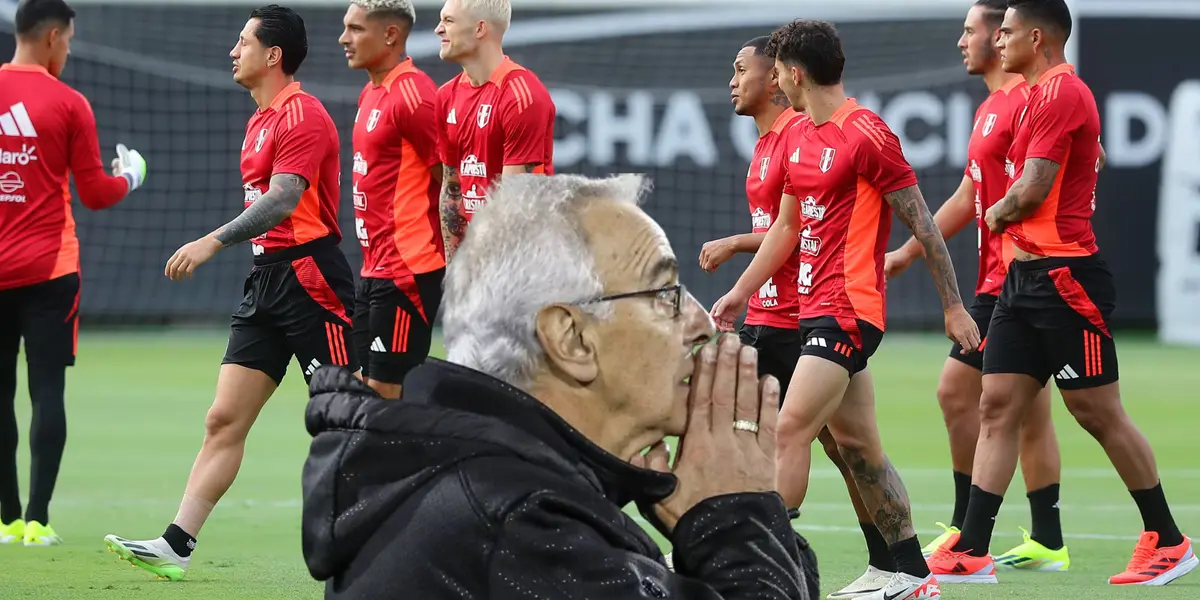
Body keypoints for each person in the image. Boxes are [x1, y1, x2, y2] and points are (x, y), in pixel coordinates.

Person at [300, 173, 817, 599]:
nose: (701, 323)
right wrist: (736, 520)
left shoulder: (488, 491)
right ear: (571, 338)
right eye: (665, 293)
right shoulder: (525, 533)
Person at [927, 0, 1196, 587]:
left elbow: (1031, 189)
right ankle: (971, 548)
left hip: (1066, 280)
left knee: (1096, 412)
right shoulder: (1034, 97)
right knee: (996, 404)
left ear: (1038, 37)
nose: (998, 41)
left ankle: (1168, 541)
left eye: (1007, 32)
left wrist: (994, 214)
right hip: (1021, 283)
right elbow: (1088, 154)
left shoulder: (1062, 92)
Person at [711, 19, 981, 600]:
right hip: (815, 310)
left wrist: (954, 307)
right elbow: (786, 229)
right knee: (858, 449)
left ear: (794, 73)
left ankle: (760, 570)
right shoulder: (801, 137)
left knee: (789, 429)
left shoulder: (867, 133)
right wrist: (740, 292)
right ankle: (906, 572)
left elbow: (923, 224)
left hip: (850, 310)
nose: (776, 81)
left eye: (779, 71)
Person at [104, 4, 359, 581]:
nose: (232, 51)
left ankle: (387, 539)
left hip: (310, 279)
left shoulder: (304, 114)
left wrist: (212, 241)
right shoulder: (258, 120)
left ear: (273, 55)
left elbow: (284, 199)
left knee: (345, 416)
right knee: (223, 418)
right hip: (266, 281)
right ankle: (176, 545)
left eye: (243, 42)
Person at [702, 35, 896, 598]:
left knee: (820, 443)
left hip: (799, 315)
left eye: (741, 69)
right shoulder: (769, 142)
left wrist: (737, 247)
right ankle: (891, 563)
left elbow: (802, 227)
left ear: (778, 78)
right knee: (831, 445)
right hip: (775, 312)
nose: (732, 80)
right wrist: (744, 286)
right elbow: (785, 226)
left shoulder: (800, 132)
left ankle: (771, 557)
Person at [883, 0, 1070, 571]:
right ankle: (1048, 540)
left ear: (1003, 36)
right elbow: (970, 194)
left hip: (1015, 278)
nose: (962, 41)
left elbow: (1069, 165)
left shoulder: (1027, 99)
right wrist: (909, 252)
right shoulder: (993, 105)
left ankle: (967, 531)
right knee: (1027, 408)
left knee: (957, 392)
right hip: (1006, 277)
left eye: (973, 30)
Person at [0, 0, 147, 547]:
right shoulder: (68, 102)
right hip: (50, 272)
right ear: (53, 37)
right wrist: (130, 175)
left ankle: (6, 520)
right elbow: (96, 192)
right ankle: (37, 522)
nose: (68, 50)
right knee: (47, 392)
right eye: (68, 41)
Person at [340, 0, 442, 399]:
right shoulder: (371, 92)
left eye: (355, 29)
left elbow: (448, 180)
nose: (344, 38)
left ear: (390, 35)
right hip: (374, 270)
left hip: (407, 271)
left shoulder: (414, 95)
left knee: (387, 397)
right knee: (363, 393)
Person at [433, 0, 555, 261]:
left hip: (520, 265)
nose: (438, 29)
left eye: (448, 21)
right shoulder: (446, 96)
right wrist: (455, 272)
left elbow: (514, 205)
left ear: (479, 29)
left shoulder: (521, 95)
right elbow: (453, 192)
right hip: (476, 265)